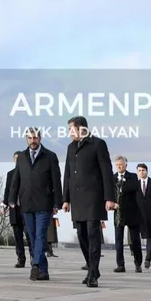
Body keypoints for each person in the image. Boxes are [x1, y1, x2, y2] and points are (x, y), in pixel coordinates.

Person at [61, 116, 116, 287]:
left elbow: (107, 172)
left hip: (93, 197)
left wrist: (110, 198)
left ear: (81, 128)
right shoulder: (70, 148)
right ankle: (93, 268)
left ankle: (93, 274)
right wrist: (65, 199)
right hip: (76, 199)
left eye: (71, 129)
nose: (69, 133)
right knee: (81, 235)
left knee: (93, 235)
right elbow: (67, 174)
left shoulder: (98, 144)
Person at [8, 127, 61, 282]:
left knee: (40, 236)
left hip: (44, 203)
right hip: (26, 204)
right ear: (26, 139)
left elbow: (56, 180)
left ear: (40, 138)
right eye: (30, 138)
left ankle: (36, 264)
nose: (33, 141)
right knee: (32, 237)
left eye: (35, 138)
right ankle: (43, 271)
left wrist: (58, 201)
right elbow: (16, 179)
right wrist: (12, 198)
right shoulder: (22, 157)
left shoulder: (50, 156)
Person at [2, 151, 32, 268]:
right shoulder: (10, 174)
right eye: (15, 159)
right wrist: (5, 204)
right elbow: (7, 190)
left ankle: (33, 257)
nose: (17, 161)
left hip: (26, 209)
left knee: (29, 234)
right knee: (17, 236)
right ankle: (21, 259)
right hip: (14, 209)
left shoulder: (28, 172)